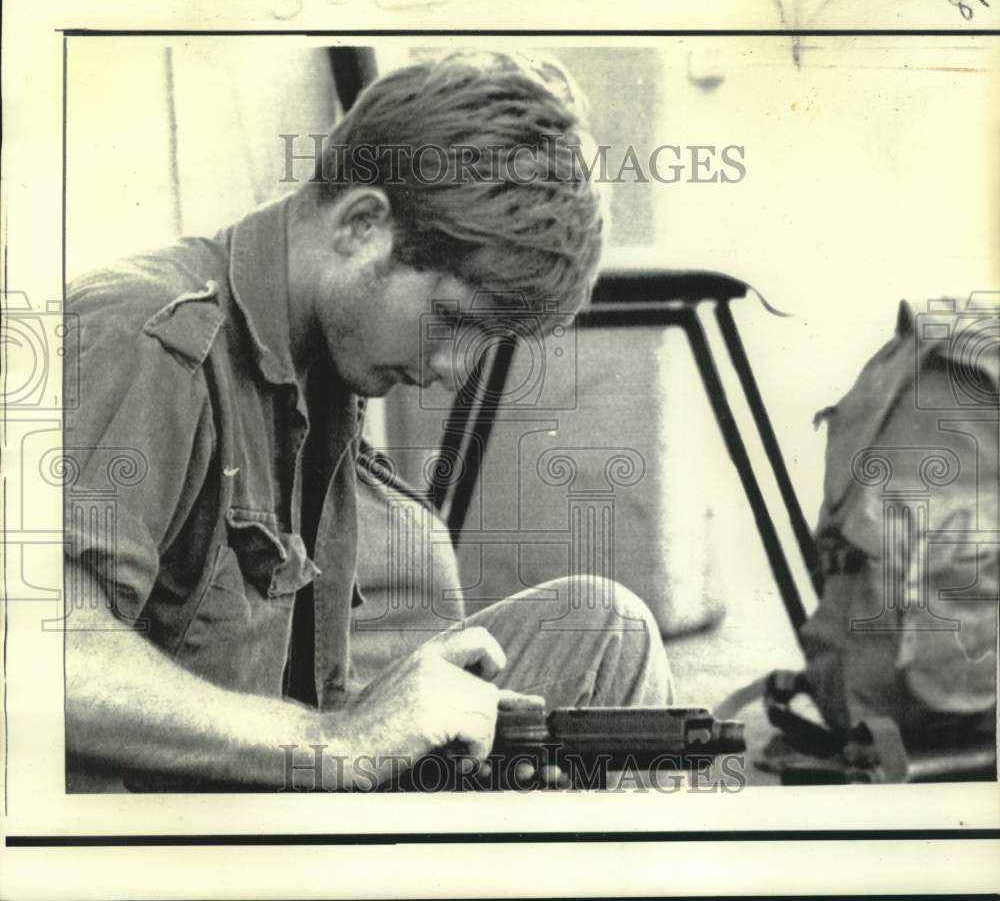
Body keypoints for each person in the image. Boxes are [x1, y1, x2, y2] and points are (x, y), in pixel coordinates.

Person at [63, 50, 673, 792]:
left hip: (279, 789)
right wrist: (336, 741)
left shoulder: (323, 373)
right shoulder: (144, 334)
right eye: (451, 318)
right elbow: (41, 661)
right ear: (361, 224)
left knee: (603, 631)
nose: (454, 369)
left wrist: (413, 720)